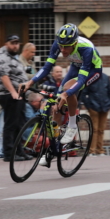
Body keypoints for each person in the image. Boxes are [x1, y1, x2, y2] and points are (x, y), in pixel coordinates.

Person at [20, 23, 103, 166]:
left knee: (68, 90)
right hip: (76, 66)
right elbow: (47, 67)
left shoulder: (86, 49)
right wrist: (30, 82)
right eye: (61, 46)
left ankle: (72, 126)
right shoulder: (58, 44)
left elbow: (82, 79)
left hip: (92, 71)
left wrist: (67, 93)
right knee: (55, 108)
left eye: (67, 47)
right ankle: (53, 149)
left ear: (75, 42)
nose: (63, 50)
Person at [0, 34, 31, 162]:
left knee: (19, 124)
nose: (15, 45)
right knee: (11, 124)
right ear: (6, 44)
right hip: (9, 94)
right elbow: (4, 76)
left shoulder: (14, 58)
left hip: (19, 94)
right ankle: (8, 153)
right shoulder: (1, 57)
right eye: (12, 43)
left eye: (17, 43)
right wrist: (13, 92)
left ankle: (19, 151)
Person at [80, 72, 110, 156]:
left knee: (101, 130)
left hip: (104, 107)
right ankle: (92, 151)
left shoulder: (106, 77)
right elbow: (84, 93)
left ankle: (100, 150)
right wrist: (89, 107)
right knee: (94, 129)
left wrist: (109, 104)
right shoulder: (90, 77)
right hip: (93, 107)